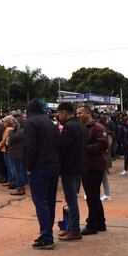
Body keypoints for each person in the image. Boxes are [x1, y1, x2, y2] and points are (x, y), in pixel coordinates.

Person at [24, 99, 60, 249]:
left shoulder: (31, 123)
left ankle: (46, 236)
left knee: (41, 202)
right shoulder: (49, 122)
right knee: (49, 201)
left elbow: (30, 148)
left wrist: (29, 167)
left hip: (40, 167)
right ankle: (47, 233)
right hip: (53, 166)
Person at [56, 102, 87, 242]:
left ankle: (75, 230)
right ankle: (70, 228)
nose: (57, 116)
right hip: (79, 166)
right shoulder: (81, 125)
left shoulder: (69, 126)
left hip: (69, 167)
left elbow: (62, 146)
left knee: (71, 200)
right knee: (71, 199)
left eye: (59, 113)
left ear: (64, 112)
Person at [77, 105, 109, 235]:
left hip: (94, 166)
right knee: (93, 196)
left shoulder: (98, 128)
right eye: (77, 113)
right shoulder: (83, 128)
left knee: (92, 196)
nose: (78, 115)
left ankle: (92, 224)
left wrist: (84, 148)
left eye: (80, 113)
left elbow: (103, 144)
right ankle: (100, 223)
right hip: (86, 165)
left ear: (88, 113)